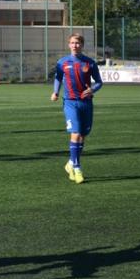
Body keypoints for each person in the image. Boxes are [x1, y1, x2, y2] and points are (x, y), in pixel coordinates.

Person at [51, 33, 103, 184]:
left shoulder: (89, 63)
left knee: (83, 135)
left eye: (78, 43)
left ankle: (70, 163)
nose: (75, 45)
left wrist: (93, 90)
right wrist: (55, 92)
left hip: (86, 103)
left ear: (82, 45)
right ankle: (78, 168)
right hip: (70, 102)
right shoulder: (62, 62)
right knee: (76, 133)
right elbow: (58, 78)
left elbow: (99, 82)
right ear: (69, 45)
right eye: (72, 43)